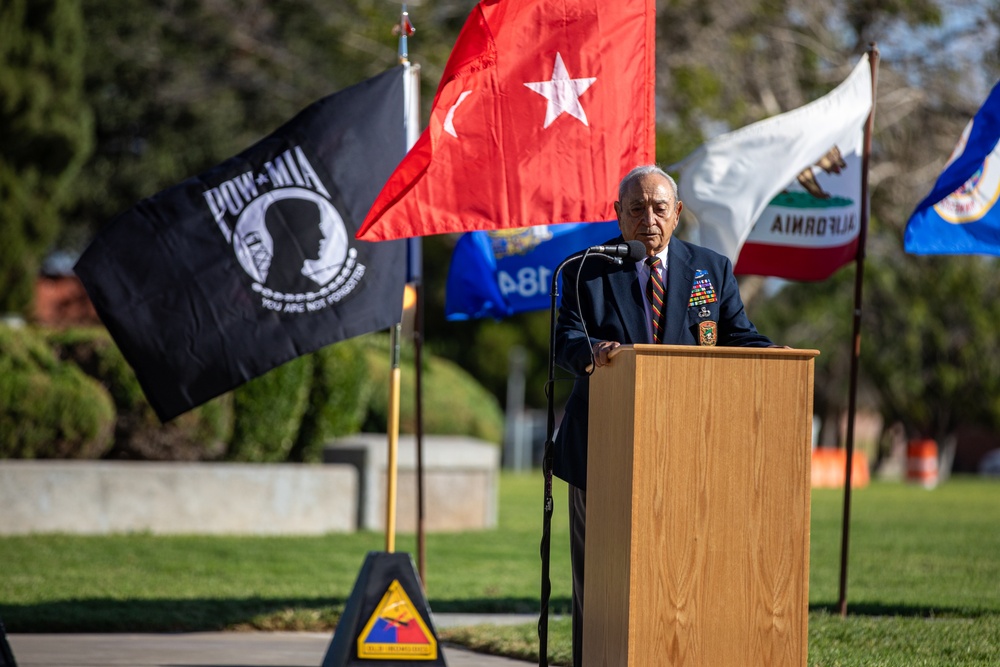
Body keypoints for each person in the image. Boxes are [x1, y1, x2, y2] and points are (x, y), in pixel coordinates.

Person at [552, 164, 777, 666]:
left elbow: (737, 335)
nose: (647, 218)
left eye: (658, 208)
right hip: (602, 450)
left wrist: (774, 355)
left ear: (677, 214)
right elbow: (564, 340)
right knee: (603, 580)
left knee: (679, 573)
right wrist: (595, 353)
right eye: (636, 208)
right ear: (618, 215)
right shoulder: (585, 270)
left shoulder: (710, 269)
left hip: (688, 450)